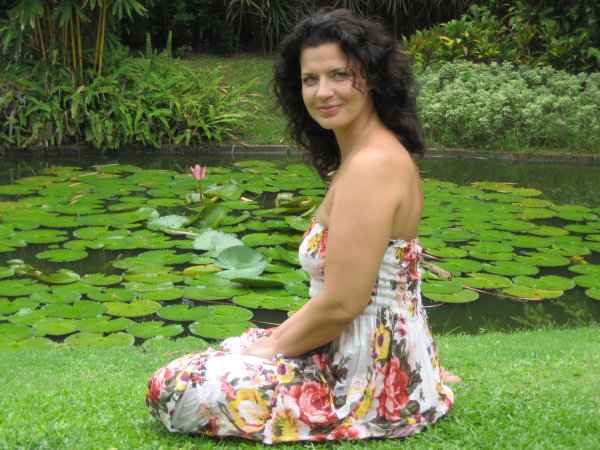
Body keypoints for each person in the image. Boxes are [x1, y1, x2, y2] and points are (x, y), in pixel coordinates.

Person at [146, 9, 456, 443]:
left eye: (339, 75)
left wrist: (270, 350)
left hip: (360, 378)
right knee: (224, 355)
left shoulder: (372, 165)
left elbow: (343, 304)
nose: (323, 92)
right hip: (362, 353)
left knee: (176, 388)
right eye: (311, 79)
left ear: (372, 78)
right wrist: (268, 344)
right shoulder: (366, 153)